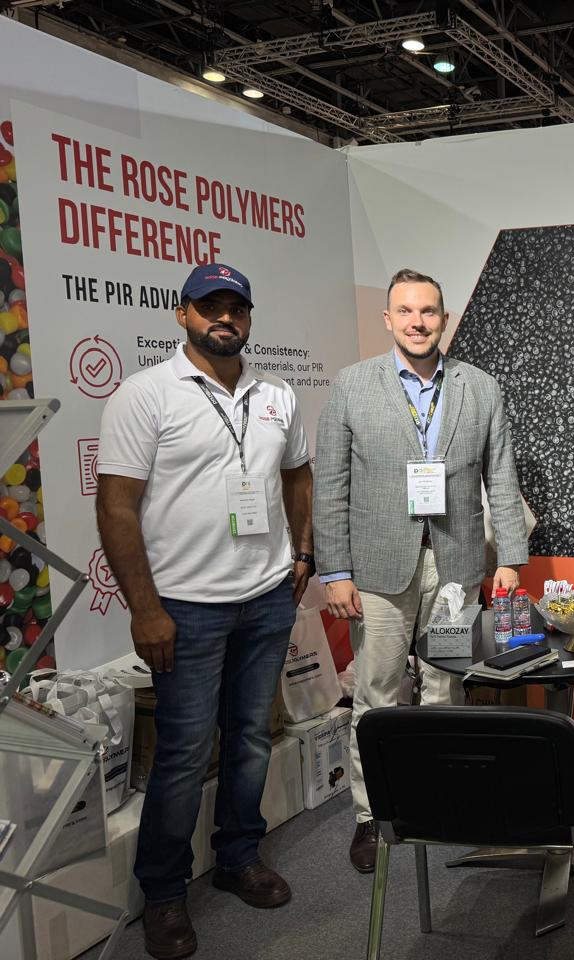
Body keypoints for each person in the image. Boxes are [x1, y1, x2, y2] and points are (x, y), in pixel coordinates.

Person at [96, 263, 313, 960]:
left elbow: (297, 473)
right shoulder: (145, 394)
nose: (224, 317)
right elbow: (116, 505)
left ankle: (238, 856)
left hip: (267, 597)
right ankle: (164, 891)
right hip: (185, 608)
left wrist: (303, 552)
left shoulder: (276, 393)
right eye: (209, 305)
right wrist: (144, 609)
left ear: (248, 318)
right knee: (185, 753)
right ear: (183, 313)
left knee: (249, 739)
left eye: (235, 307)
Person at [313, 268, 528, 872]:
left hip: (456, 568)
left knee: (445, 687)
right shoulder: (353, 386)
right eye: (405, 311)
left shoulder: (479, 387)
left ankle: (442, 798)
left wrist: (511, 557)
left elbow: (501, 477)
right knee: (378, 693)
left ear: (444, 318)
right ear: (388, 319)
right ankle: (372, 813)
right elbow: (330, 487)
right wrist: (335, 571)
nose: (417, 322)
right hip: (378, 569)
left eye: (428, 311)